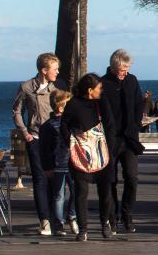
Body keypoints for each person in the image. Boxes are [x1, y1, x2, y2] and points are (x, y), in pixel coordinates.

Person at [62, 72, 118, 241]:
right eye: (98, 87)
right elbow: (64, 126)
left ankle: (104, 224)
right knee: (81, 192)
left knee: (105, 193)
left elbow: (110, 126)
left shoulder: (102, 103)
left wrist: (110, 149)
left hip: (103, 153)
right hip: (81, 154)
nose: (101, 90)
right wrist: (71, 142)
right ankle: (83, 229)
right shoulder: (73, 104)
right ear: (89, 90)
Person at [11, 52, 60, 236]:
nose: (57, 72)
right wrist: (25, 133)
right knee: (39, 180)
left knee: (56, 180)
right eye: (55, 69)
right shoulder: (26, 87)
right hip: (36, 138)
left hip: (55, 140)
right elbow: (16, 111)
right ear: (44, 70)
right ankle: (45, 221)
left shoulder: (57, 88)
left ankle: (59, 219)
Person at [100, 49, 144, 233]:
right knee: (111, 180)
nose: (124, 73)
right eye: (121, 70)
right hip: (110, 139)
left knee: (132, 177)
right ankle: (112, 217)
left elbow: (138, 103)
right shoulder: (103, 83)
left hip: (129, 138)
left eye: (126, 69)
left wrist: (136, 124)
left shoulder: (132, 80)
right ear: (112, 67)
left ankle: (127, 215)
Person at [39, 89, 79, 236]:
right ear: (61, 107)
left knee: (77, 192)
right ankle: (58, 223)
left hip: (73, 163)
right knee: (58, 195)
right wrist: (47, 167)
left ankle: (72, 215)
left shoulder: (71, 123)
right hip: (57, 165)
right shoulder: (48, 126)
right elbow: (44, 149)